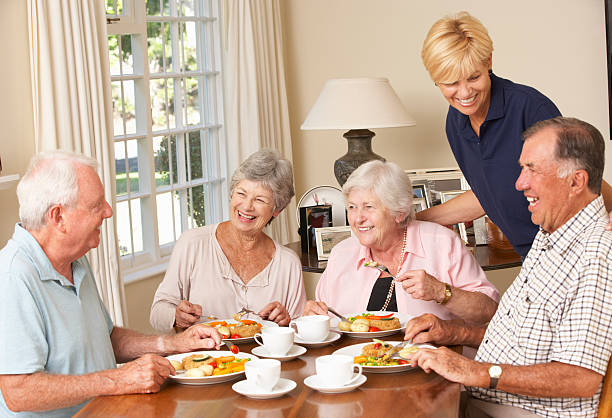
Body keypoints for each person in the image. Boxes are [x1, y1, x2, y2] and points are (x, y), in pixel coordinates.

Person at [404, 117, 612, 418]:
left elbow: (580, 378)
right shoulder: (551, 232)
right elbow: (523, 338)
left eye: (533, 169)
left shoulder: (598, 253)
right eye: (522, 167)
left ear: (576, 181)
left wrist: (477, 372)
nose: (519, 183)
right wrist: (453, 334)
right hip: (490, 401)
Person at [0, 151, 222, 417]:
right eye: (96, 205)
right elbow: (18, 391)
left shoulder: (76, 260)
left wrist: (174, 345)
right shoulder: (13, 277)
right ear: (58, 217)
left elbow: (105, 339)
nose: (108, 211)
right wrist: (121, 379)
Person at [417, 11, 612, 258]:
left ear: (488, 61)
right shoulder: (455, 124)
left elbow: (578, 181)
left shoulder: (530, 109)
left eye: (474, 77)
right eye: (450, 83)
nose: (464, 92)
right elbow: (489, 193)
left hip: (573, 250)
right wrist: (414, 220)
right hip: (531, 255)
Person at [304, 160, 499, 324]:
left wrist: (441, 292)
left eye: (369, 207)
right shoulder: (342, 253)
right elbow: (324, 315)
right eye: (352, 207)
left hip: (429, 362)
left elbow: (489, 311)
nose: (358, 218)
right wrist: (313, 315)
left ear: (399, 212)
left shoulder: (442, 244)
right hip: (356, 363)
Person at [150, 149, 306, 332]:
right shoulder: (193, 244)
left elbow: (300, 333)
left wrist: (286, 323)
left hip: (266, 360)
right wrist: (176, 316)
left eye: (260, 199)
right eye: (241, 193)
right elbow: (157, 314)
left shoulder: (288, 264)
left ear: (276, 210)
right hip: (204, 358)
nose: (247, 206)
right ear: (232, 194)